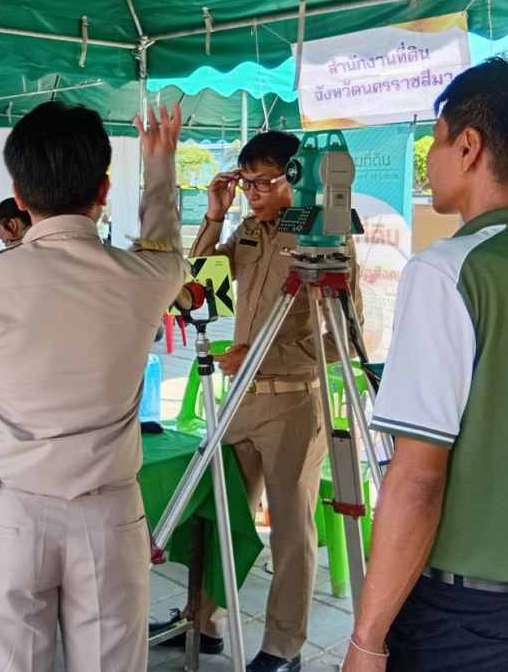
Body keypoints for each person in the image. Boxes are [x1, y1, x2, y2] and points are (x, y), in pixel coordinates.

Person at [342, 58, 508, 672]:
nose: (429, 157)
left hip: (465, 618)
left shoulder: (447, 271)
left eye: (434, 140)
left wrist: (367, 639)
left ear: (468, 146)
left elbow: (418, 480)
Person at [0, 102, 188, 672]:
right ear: (105, 187)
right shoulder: (145, 278)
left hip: (7, 512)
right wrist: (159, 164)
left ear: (18, 195)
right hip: (110, 512)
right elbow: (167, 244)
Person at [156, 130, 361, 671]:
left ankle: (282, 648)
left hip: (294, 404)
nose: (251, 191)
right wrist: (214, 214)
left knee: (291, 534)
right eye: (245, 182)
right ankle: (204, 623)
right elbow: (193, 289)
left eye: (262, 182)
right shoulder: (247, 229)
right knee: (220, 513)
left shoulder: (328, 235)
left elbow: (342, 337)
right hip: (239, 399)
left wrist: (259, 356)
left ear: (296, 177)